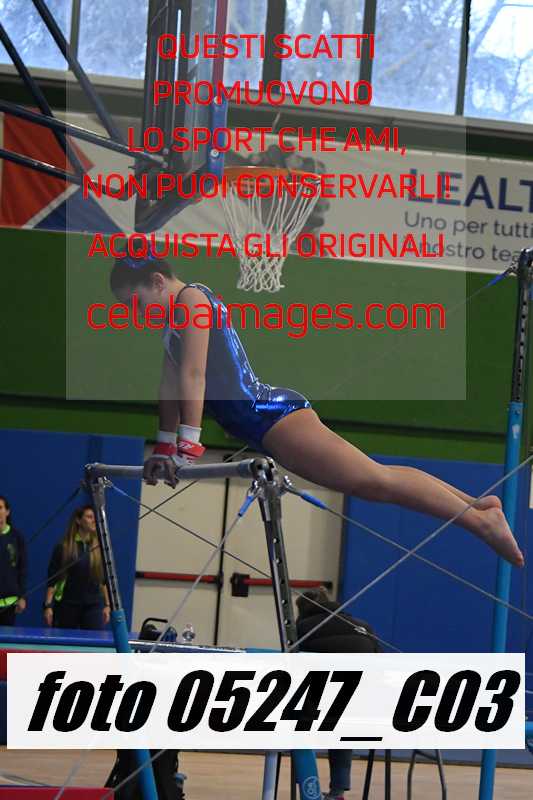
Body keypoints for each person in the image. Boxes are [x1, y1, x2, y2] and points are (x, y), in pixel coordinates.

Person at [109, 257, 523, 568]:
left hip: (270, 416)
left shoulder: (192, 300)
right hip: (265, 423)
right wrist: (163, 448)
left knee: (375, 482)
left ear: (157, 281)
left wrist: (187, 447)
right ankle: (478, 506)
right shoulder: (172, 321)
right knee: (376, 479)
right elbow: (168, 388)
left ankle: (481, 523)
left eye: (136, 302)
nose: (136, 313)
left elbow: (194, 375)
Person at [296, 586, 380, 800]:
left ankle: (308, 787)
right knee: (342, 724)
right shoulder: (363, 626)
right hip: (365, 708)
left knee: (299, 724)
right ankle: (338, 792)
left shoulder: (302, 628)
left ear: (302, 610)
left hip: (319, 706)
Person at [44, 505, 111, 630]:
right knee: (64, 640)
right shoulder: (64, 547)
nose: (93, 521)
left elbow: (103, 579)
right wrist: (48, 606)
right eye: (89, 517)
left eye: (95, 517)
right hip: (67, 605)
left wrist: (107, 605)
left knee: (95, 640)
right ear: (78, 520)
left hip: (92, 605)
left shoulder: (99, 548)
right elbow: (52, 580)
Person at [0, 496, 27, 626]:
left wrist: (22, 596)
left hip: (9, 604)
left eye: (0, 507)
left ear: (7, 511)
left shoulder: (16, 537)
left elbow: (22, 569)